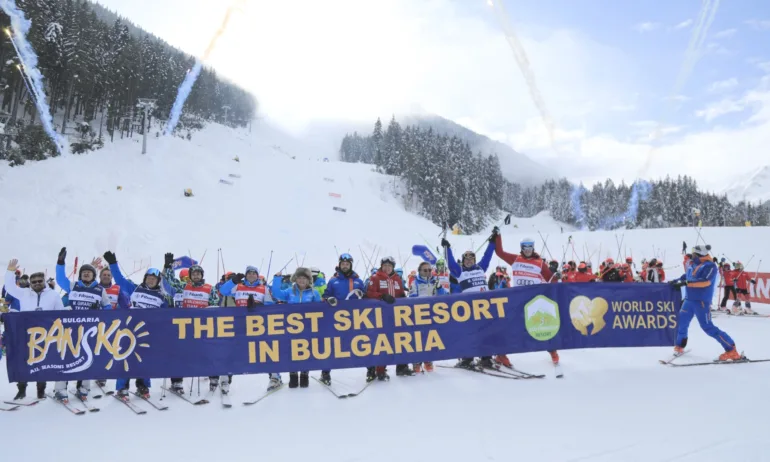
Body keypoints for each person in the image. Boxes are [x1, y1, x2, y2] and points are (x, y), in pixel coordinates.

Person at [105, 251, 171, 398]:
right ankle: (122, 387)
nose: (151, 280)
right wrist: (113, 263)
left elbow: (167, 316)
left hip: (148, 332)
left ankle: (143, 386)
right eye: (149, 277)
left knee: (144, 359)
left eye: (154, 278)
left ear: (158, 280)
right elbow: (120, 280)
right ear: (145, 278)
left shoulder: (161, 297)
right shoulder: (135, 288)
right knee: (125, 357)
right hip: (130, 329)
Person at [491, 230, 559, 368]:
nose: (527, 250)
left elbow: (551, 280)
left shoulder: (540, 263)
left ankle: (552, 351)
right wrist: (497, 236)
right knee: (511, 327)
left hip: (534, 300)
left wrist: (556, 274)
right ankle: (501, 355)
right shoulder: (516, 259)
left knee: (542, 325)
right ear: (521, 248)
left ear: (533, 248)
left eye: (530, 247)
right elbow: (499, 252)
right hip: (518, 299)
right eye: (524, 247)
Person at [4, 259, 65, 401]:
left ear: (44, 281)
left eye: (40, 281)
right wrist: (10, 272)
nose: (37, 283)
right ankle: (22, 390)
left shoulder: (53, 295)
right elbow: (9, 287)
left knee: (42, 363)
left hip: (45, 335)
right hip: (26, 334)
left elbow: (61, 314)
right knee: (22, 361)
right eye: (34, 281)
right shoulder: (24, 294)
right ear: (30, 284)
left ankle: (41, 390)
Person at [162, 254, 222, 393]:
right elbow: (169, 281)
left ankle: (214, 378)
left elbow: (214, 306)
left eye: (198, 274)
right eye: (193, 274)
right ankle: (177, 382)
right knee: (180, 353)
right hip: (185, 327)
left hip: (203, 327)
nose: (196, 276)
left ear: (202, 275)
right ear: (190, 275)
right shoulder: (184, 286)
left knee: (208, 352)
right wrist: (168, 266)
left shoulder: (209, 288)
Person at [670, 245, 741, 361]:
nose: (691, 256)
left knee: (707, 327)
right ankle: (680, 345)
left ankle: (731, 349)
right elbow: (686, 276)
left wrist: (686, 283)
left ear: (699, 254)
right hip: (689, 300)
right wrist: (677, 280)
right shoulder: (693, 264)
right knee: (681, 322)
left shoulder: (710, 266)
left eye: (694, 254)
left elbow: (705, 282)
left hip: (701, 302)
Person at [219, 265, 279, 390]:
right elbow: (223, 291)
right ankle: (225, 377)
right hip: (239, 323)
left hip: (258, 325)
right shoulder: (238, 287)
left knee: (267, 349)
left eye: (254, 273)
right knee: (231, 349)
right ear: (246, 275)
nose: (251, 275)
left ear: (257, 275)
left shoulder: (264, 288)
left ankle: (275, 377)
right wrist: (233, 281)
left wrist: (259, 305)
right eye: (249, 273)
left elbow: (270, 304)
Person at [442, 234, 495, 369]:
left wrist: (492, 242)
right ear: (463, 261)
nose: (469, 261)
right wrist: (447, 248)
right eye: (467, 259)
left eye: (472, 258)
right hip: (469, 308)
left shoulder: (481, 268)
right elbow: (451, 263)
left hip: (484, 307)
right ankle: (467, 358)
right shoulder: (460, 272)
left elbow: (487, 256)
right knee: (469, 333)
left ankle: (486, 358)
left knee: (485, 333)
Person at [271, 267, 322, 388]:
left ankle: (305, 374)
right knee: (292, 350)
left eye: (304, 278)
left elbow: (321, 309)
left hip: (308, 328)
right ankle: (293, 374)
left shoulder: (314, 293)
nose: (302, 280)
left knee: (306, 350)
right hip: (291, 328)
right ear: (295, 279)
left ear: (309, 280)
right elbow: (276, 293)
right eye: (299, 277)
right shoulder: (289, 291)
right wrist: (277, 278)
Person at [321, 254, 365, 385]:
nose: (345, 265)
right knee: (332, 345)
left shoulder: (358, 280)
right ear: (339, 264)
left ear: (351, 265)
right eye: (343, 263)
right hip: (337, 319)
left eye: (347, 263)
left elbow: (366, 296)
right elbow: (325, 295)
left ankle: (371, 369)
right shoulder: (333, 280)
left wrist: (362, 295)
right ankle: (325, 372)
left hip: (355, 318)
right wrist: (328, 299)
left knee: (364, 342)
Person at [366, 256, 409, 379]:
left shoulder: (397, 279)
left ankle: (402, 367)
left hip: (396, 316)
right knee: (381, 342)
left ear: (393, 267)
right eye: (385, 265)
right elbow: (369, 293)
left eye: (389, 266)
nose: (387, 268)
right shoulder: (375, 278)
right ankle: (379, 370)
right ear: (381, 266)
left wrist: (403, 297)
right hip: (379, 316)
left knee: (400, 340)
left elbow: (400, 294)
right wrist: (382, 296)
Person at [409, 261, 446, 373]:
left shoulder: (435, 281)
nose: (428, 272)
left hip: (432, 314)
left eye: (429, 270)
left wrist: (439, 287)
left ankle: (428, 360)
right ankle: (416, 361)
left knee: (431, 338)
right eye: (425, 270)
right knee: (418, 338)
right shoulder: (415, 283)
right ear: (420, 271)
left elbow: (444, 296)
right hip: (418, 314)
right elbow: (412, 297)